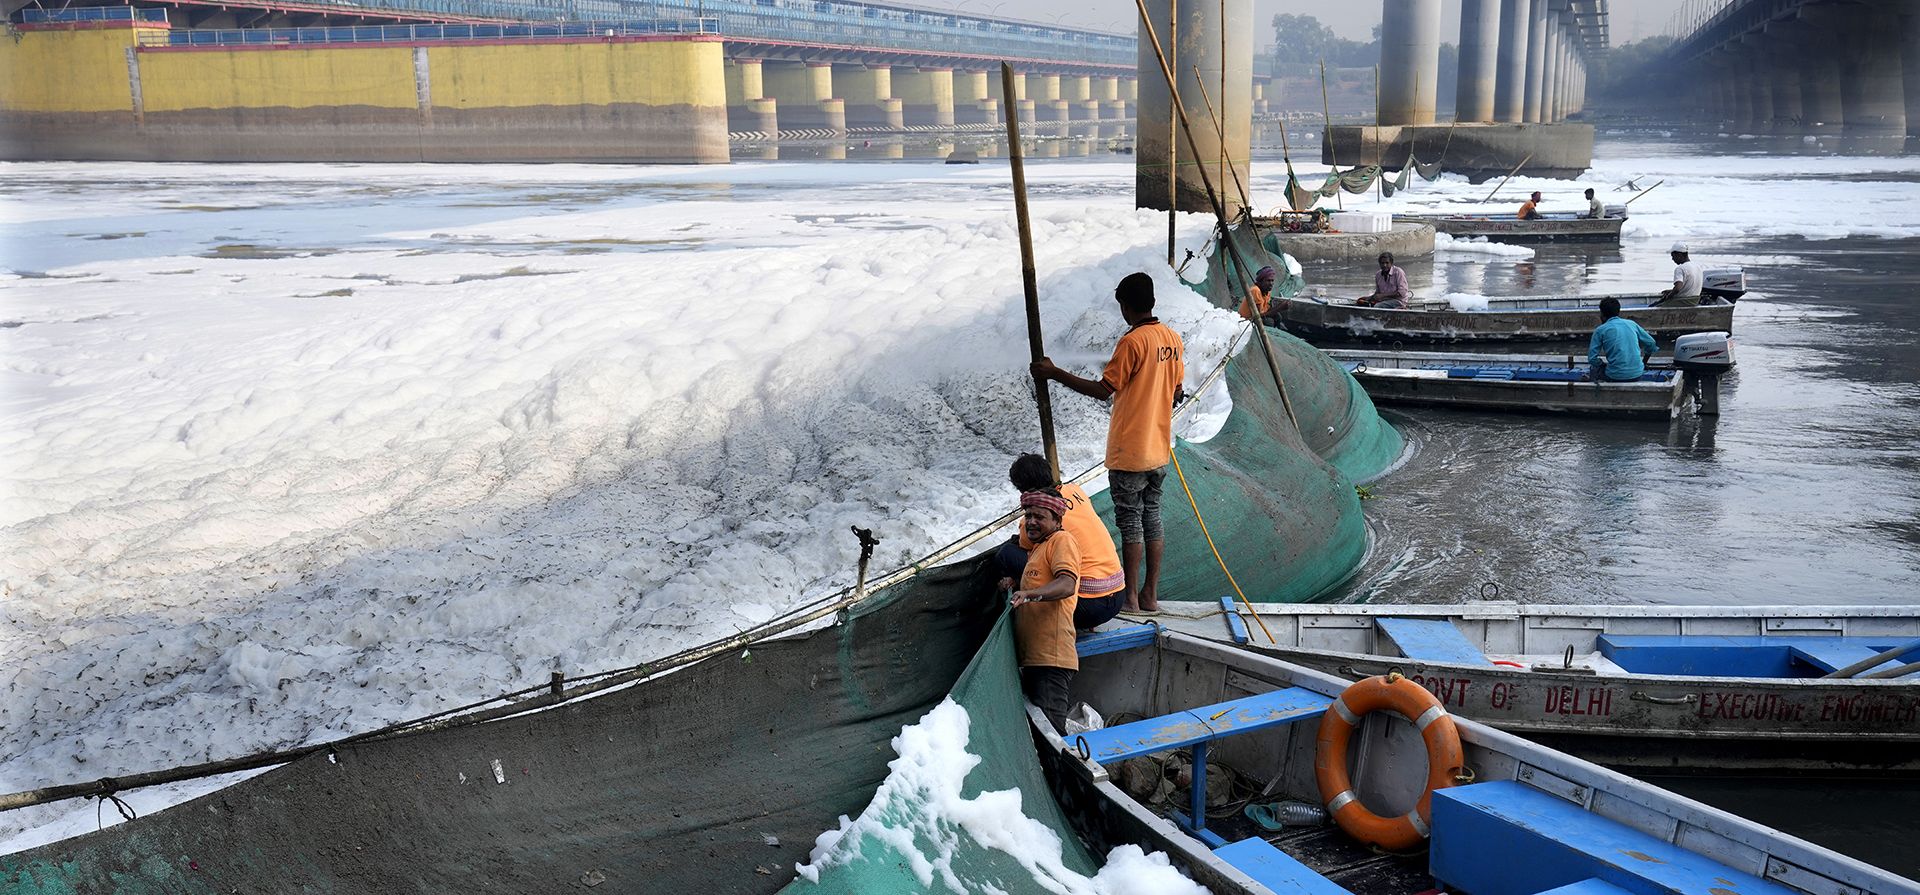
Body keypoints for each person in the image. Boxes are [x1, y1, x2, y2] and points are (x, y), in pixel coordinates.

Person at [1031, 273, 1184, 614]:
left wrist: (1055, 373)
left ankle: (1129, 599)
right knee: (1153, 520)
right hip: (1159, 451)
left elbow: (1103, 390)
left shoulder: (1132, 342)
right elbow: (1176, 391)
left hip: (1130, 452)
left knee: (1130, 524)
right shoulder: (1172, 339)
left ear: (1125, 306)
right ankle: (1150, 596)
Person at [996, 453, 1128, 632]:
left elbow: (1031, 557)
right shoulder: (1075, 490)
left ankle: (1024, 604)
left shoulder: (1031, 524)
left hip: (1087, 606)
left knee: (1006, 555)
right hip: (1118, 595)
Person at [998, 489, 1081, 732]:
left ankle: (1061, 771)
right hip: (1035, 658)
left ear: (1057, 520)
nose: (1031, 522)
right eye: (1028, 515)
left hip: (1051, 659)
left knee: (1052, 735)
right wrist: (1015, 583)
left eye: (1040, 517)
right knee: (1043, 731)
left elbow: (1067, 584)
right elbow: (1040, 580)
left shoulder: (1062, 541)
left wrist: (1029, 594)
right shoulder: (1038, 548)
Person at [1588, 297, 1657, 382]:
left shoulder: (1600, 330)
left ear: (1602, 314)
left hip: (1615, 375)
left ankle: (1595, 392)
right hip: (1637, 373)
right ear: (1618, 311)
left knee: (1593, 368)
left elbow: (1592, 359)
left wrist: (1602, 365)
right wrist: (1644, 362)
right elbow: (1651, 343)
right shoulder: (1632, 324)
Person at [1655, 242, 1704, 307]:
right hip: (1695, 301)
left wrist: (1669, 295)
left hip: (1683, 301)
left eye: (1673, 256)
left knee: (1655, 307)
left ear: (1679, 255)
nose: (1672, 259)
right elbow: (1689, 287)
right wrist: (1671, 290)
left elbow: (1677, 288)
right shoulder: (1698, 267)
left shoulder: (1680, 269)